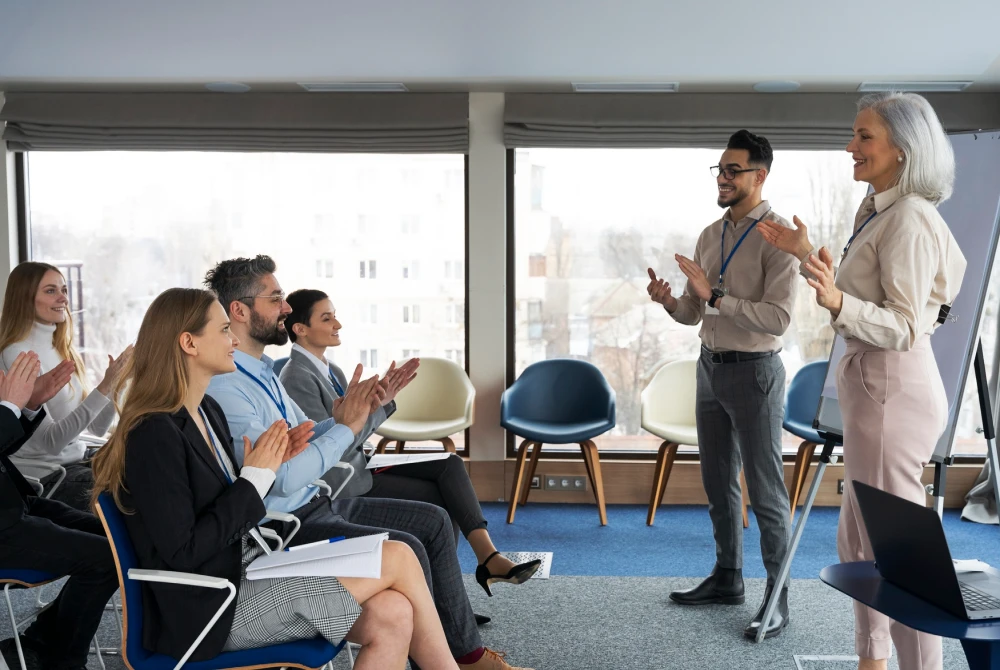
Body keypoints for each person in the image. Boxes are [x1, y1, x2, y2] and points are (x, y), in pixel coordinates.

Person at [91, 287, 461, 670]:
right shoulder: (153, 433)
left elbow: (223, 504)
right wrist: (255, 479)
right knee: (398, 556)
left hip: (247, 567)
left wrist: (269, 465)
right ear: (189, 343)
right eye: (223, 330)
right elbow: (184, 552)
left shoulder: (205, 410)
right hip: (211, 606)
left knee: (393, 611)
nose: (234, 340)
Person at [204, 257, 532, 670]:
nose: (285, 308)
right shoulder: (231, 386)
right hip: (290, 524)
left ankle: (461, 651)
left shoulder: (265, 373)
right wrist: (346, 426)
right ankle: (460, 656)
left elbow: (313, 437)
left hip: (316, 502)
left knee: (432, 519)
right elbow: (282, 478)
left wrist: (362, 413)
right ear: (239, 310)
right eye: (275, 299)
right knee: (409, 547)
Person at [759, 92, 966, 670]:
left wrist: (837, 301)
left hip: (892, 390)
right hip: (873, 390)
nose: (850, 145)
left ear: (903, 149)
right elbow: (864, 293)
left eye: (864, 136)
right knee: (858, 542)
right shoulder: (877, 211)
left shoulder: (910, 218)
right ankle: (872, 660)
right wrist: (807, 254)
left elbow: (904, 324)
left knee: (896, 555)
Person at [280, 288, 541, 594]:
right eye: (327, 318)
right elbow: (332, 445)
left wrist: (378, 403)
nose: (337, 324)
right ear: (300, 329)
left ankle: (484, 561)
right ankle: (451, 595)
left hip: (359, 464)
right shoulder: (296, 378)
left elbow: (350, 429)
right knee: (440, 497)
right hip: (344, 480)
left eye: (335, 316)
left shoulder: (330, 370)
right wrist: (377, 409)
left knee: (450, 464)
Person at [646, 130, 798, 639]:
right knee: (717, 481)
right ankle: (728, 577)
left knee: (766, 490)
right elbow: (694, 313)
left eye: (734, 170)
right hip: (710, 366)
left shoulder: (779, 237)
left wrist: (714, 297)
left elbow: (777, 318)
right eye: (720, 169)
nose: (723, 178)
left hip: (755, 373)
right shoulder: (710, 235)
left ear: (761, 175)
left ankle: (777, 596)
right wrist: (671, 302)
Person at [0, 350, 120, 670]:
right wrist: (9, 407)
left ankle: (38, 644)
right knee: (106, 559)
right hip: (4, 525)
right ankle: (61, 661)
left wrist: (28, 406)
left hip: (15, 502)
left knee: (117, 539)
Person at [0, 262, 132, 510]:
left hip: (79, 461)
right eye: (51, 291)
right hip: (50, 476)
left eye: (64, 290)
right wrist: (104, 387)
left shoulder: (61, 348)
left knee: (149, 468)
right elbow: (52, 443)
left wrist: (117, 382)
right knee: (135, 492)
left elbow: (97, 427)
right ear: (25, 297)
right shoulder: (18, 356)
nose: (63, 298)